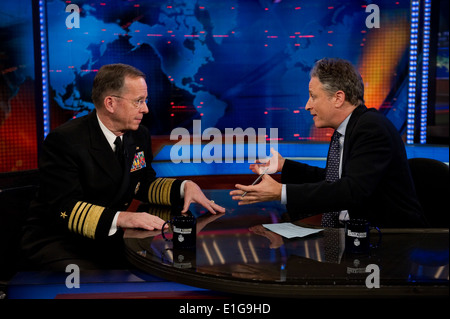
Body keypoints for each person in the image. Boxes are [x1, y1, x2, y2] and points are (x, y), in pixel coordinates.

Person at [20, 63, 225, 270]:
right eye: (138, 101)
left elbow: (142, 183)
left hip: (108, 236)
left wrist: (184, 187)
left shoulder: (138, 135)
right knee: (103, 283)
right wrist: (123, 218)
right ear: (110, 103)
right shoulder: (65, 140)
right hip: (62, 241)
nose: (145, 109)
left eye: (145, 101)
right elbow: (64, 207)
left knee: (164, 266)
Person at [230, 58, 428, 228]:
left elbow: (351, 191)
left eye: (313, 96)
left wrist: (281, 192)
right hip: (352, 236)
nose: (307, 105)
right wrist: (285, 166)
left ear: (338, 98)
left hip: (391, 242)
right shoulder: (347, 128)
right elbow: (334, 181)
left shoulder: (372, 129)